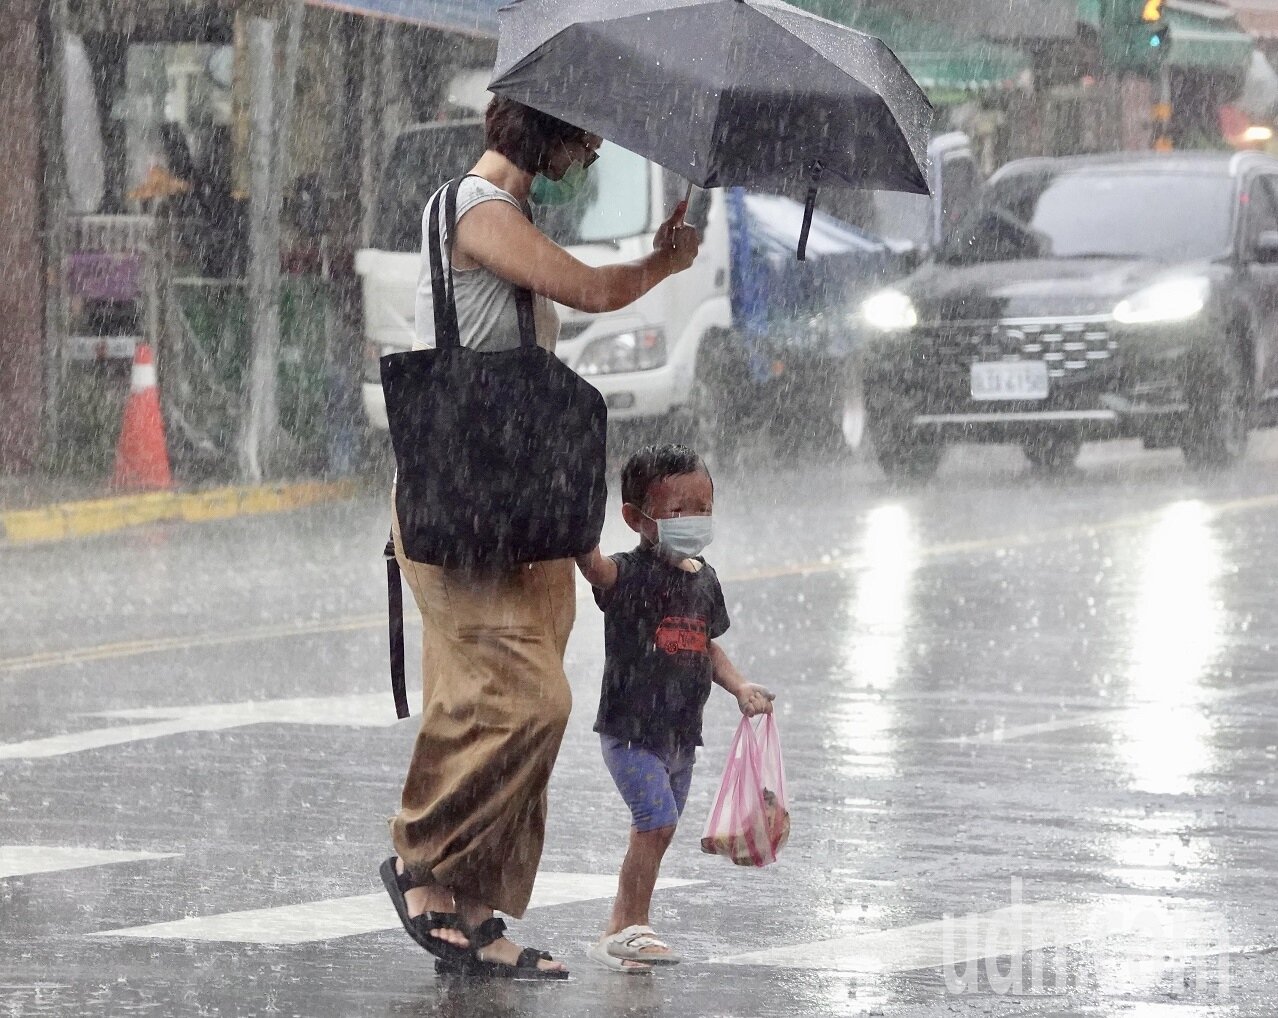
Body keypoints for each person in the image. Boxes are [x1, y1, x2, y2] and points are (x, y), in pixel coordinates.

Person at [381, 98, 701, 980]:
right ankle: (420, 857)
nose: (595, 146)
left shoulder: (509, 213)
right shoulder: (476, 210)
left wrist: (581, 544)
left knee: (510, 706)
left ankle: (478, 910)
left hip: (513, 509)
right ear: (544, 129)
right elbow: (590, 290)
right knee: (527, 703)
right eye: (586, 132)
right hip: (460, 510)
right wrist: (662, 263)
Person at [575, 444, 775, 973]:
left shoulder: (704, 579)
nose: (694, 521)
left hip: (681, 737)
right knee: (655, 821)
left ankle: (617, 929)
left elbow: (708, 646)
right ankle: (637, 928)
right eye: (678, 511)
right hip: (631, 731)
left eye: (703, 509)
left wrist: (740, 688)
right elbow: (595, 569)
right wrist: (576, 522)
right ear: (635, 519)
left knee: (655, 833)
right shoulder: (631, 572)